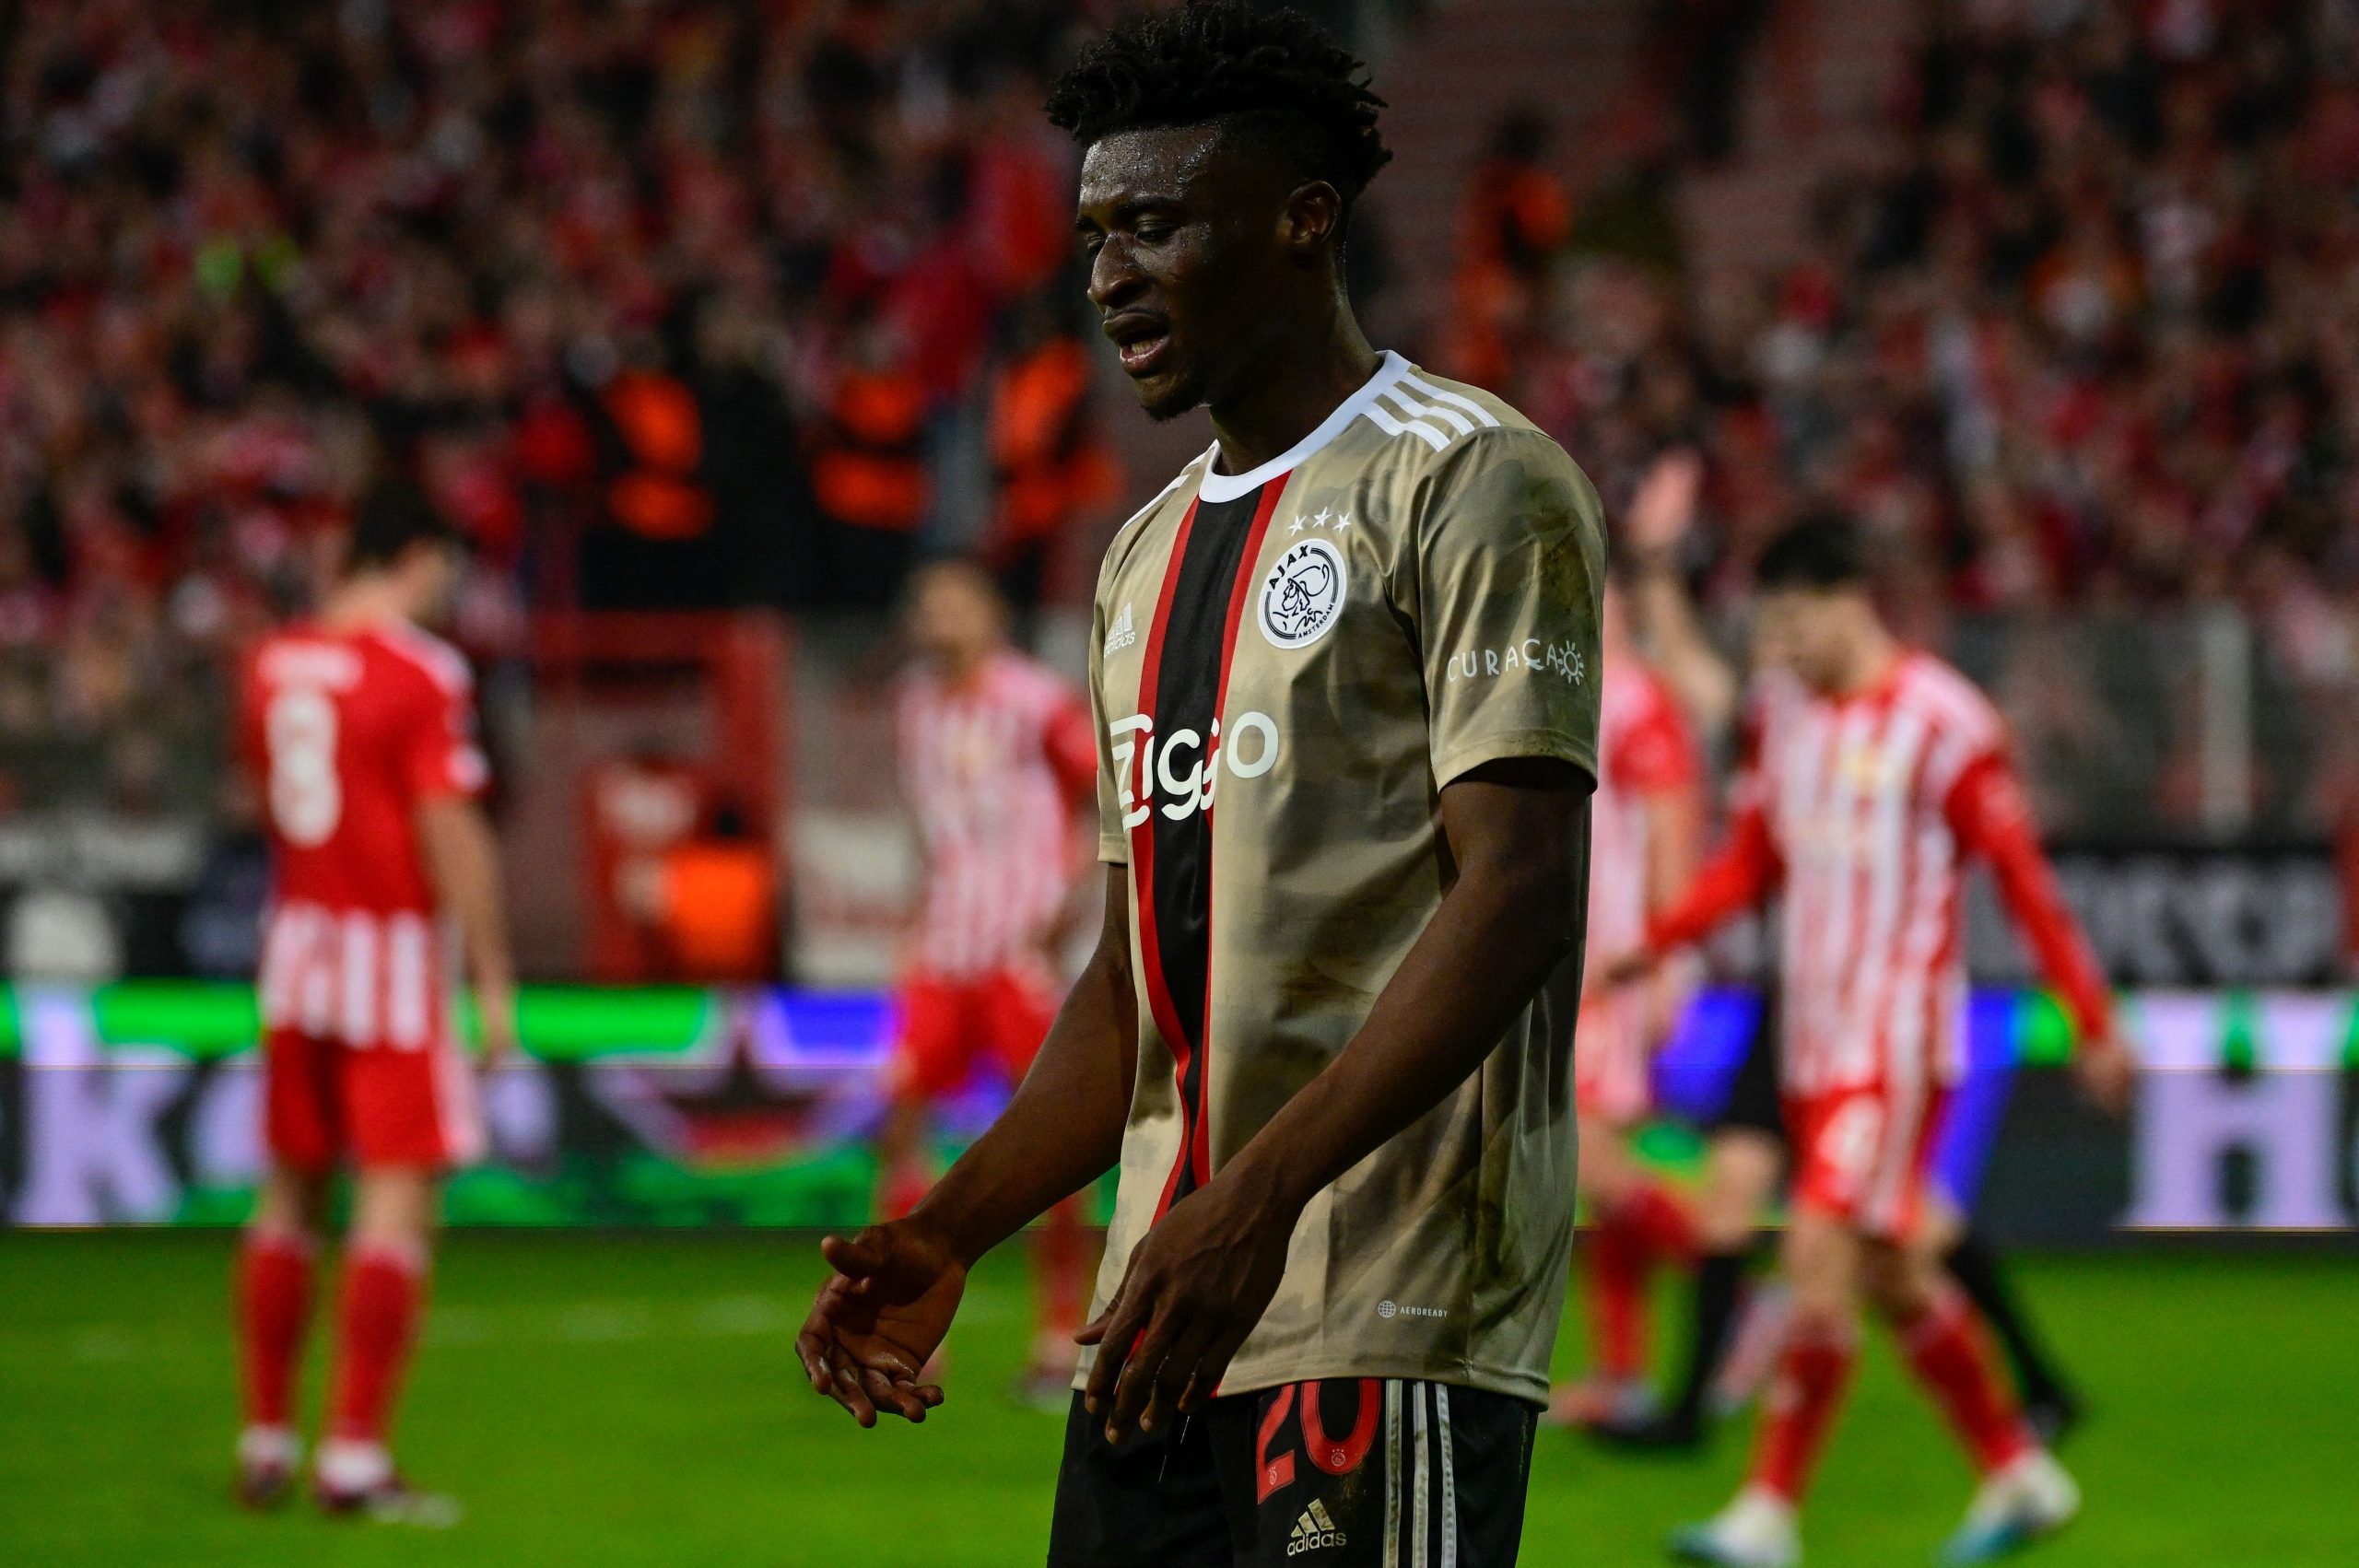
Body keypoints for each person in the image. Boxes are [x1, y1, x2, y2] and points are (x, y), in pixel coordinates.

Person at [795, 6, 1606, 1563]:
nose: (1107, 274)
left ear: (1304, 221)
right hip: (1164, 1314)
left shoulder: (1471, 477)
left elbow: (1517, 896)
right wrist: (948, 1228)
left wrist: (1264, 1194)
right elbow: (1128, 987)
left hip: (1382, 1301)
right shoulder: (1142, 557)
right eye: (1096, 232)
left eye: (1155, 224)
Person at [1599, 512, 2131, 1567]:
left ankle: (1767, 1511)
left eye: (1795, 622)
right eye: (1772, 626)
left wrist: (2092, 1019)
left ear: (1850, 600)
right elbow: (1751, 860)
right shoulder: (1783, 713)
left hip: (1893, 1041)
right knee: (1893, 1271)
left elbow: (2021, 879)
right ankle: (2018, 1469)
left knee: (1817, 1250)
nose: (1781, 645)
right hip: (1806, 1039)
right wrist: (1650, 945)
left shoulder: (1945, 722)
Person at [232, 480, 517, 1521]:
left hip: (296, 946)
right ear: (418, 556)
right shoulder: (419, 668)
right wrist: (491, 977)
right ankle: (352, 1455)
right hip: (388, 958)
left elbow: (266, 796)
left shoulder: (272, 660)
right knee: (395, 1201)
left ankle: (265, 1436)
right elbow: (450, 827)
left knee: (289, 1195)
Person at [877, 558, 1099, 1403]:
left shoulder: (1036, 701)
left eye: (957, 605)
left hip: (1020, 955)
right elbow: (928, 831)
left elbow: (1102, 801)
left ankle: (1057, 1333)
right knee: (902, 1126)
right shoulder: (913, 707)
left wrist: (1065, 916)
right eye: (928, 605)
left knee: (1052, 1143)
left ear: (992, 615)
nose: (940, 620)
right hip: (942, 951)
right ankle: (906, 1327)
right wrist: (912, 923)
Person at [1547, 578, 1706, 1431]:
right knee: (1592, 1188)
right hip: (1563, 972)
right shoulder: (1563, 685)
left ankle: (1727, 1279)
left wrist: (1666, 964)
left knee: (1590, 1164)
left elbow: (1675, 834)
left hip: (1613, 973)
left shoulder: (1637, 700)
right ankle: (1624, 1374)